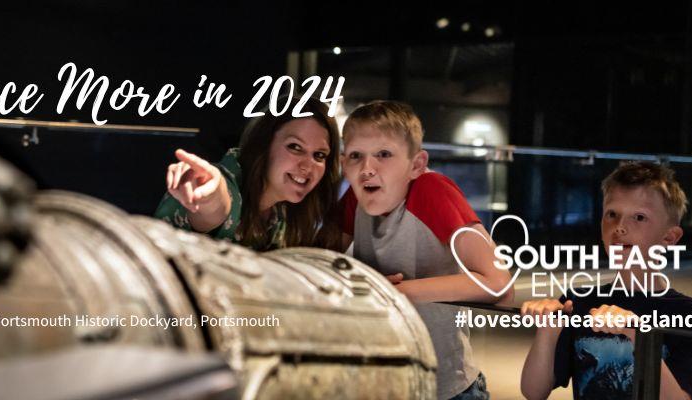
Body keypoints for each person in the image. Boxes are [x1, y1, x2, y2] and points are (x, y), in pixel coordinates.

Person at [336, 100, 513, 400]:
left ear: (416, 165)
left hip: (445, 389)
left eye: (383, 155)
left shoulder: (432, 191)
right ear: (343, 164)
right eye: (356, 156)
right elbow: (321, 265)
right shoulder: (357, 198)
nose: (367, 168)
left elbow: (499, 283)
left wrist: (399, 292)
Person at [520, 162, 692, 400]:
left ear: (669, 237)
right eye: (612, 214)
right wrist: (547, 330)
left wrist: (638, 334)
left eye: (639, 217)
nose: (620, 227)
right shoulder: (578, 301)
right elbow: (534, 391)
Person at [155, 98, 341, 251]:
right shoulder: (229, 181)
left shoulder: (284, 212)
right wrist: (207, 192)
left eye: (319, 155)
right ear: (264, 145)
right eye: (295, 147)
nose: (308, 165)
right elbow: (219, 201)